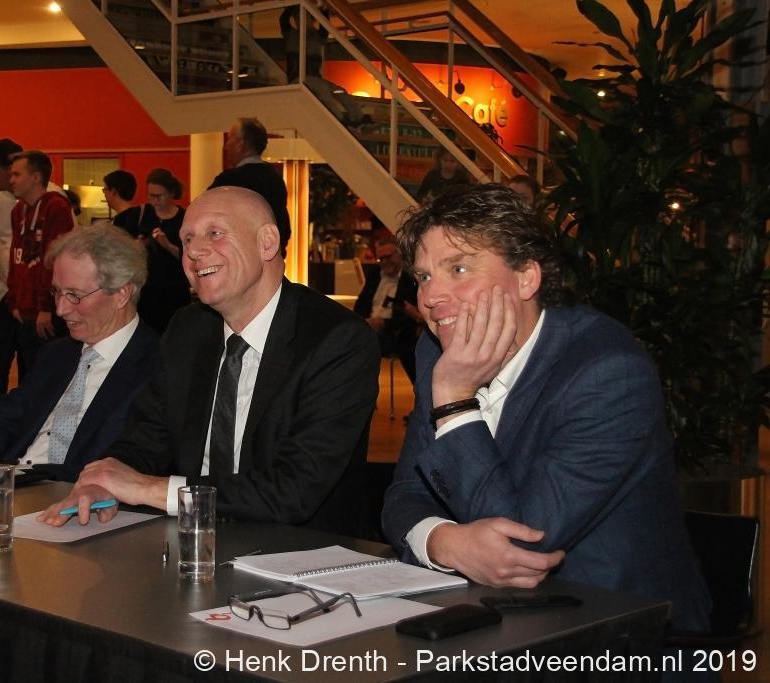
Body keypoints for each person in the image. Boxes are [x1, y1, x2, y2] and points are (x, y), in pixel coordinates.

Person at [380, 184, 710, 633]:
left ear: (526, 278)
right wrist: (443, 542)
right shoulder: (435, 352)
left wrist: (456, 399)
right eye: (423, 277)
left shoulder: (607, 373)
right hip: (487, 619)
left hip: (618, 634)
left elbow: (523, 544)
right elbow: (403, 496)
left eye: (458, 268)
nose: (431, 297)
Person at [39, 187, 380, 535]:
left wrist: (150, 489)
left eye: (214, 233)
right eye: (186, 239)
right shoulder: (188, 329)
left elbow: (294, 489)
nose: (193, 252)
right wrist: (106, 482)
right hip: (190, 542)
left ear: (267, 243)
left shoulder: (337, 340)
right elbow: (145, 440)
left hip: (301, 551)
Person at [0, 222, 158, 483]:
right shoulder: (57, 355)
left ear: (122, 294)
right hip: (13, 489)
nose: (61, 309)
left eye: (74, 295)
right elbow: (1, 422)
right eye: (56, 292)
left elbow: (120, 464)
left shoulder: (158, 367)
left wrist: (7, 470)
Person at [0, 138, 67, 406]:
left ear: (36, 177)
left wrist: (46, 307)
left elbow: (54, 260)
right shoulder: (19, 210)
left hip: (43, 309)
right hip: (20, 305)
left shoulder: (56, 206)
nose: (11, 179)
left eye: (17, 174)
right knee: (6, 366)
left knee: (42, 375)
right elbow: (15, 257)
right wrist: (13, 299)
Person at [116, 168, 191, 333]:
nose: (155, 201)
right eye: (151, 196)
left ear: (171, 194)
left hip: (174, 289)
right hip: (145, 289)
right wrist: (136, 245)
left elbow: (190, 256)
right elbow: (120, 245)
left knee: (174, 332)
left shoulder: (185, 218)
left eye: (160, 196)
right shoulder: (140, 214)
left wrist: (168, 246)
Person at [208, 118, 291, 254]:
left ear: (240, 144)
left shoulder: (229, 181)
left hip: (239, 258)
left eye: (229, 139)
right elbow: (283, 225)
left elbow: (206, 218)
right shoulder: (275, 179)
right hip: (271, 255)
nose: (226, 146)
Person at [354, 235, 419, 384]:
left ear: (399, 254)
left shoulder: (411, 278)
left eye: (388, 257)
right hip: (370, 329)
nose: (384, 262)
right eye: (380, 259)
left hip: (398, 331)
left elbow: (410, 313)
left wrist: (384, 323)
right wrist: (366, 322)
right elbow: (361, 305)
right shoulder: (374, 274)